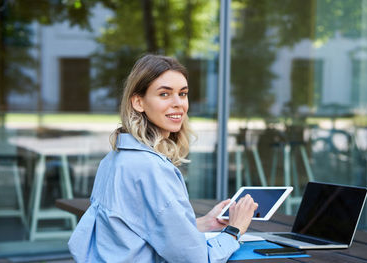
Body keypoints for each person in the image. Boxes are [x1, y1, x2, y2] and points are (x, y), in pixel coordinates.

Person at [68, 54, 258, 262]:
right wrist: (234, 230)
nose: (178, 104)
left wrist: (203, 224)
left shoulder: (114, 158)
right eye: (165, 94)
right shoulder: (150, 168)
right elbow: (196, 259)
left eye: (182, 94)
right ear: (138, 102)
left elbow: (137, 231)